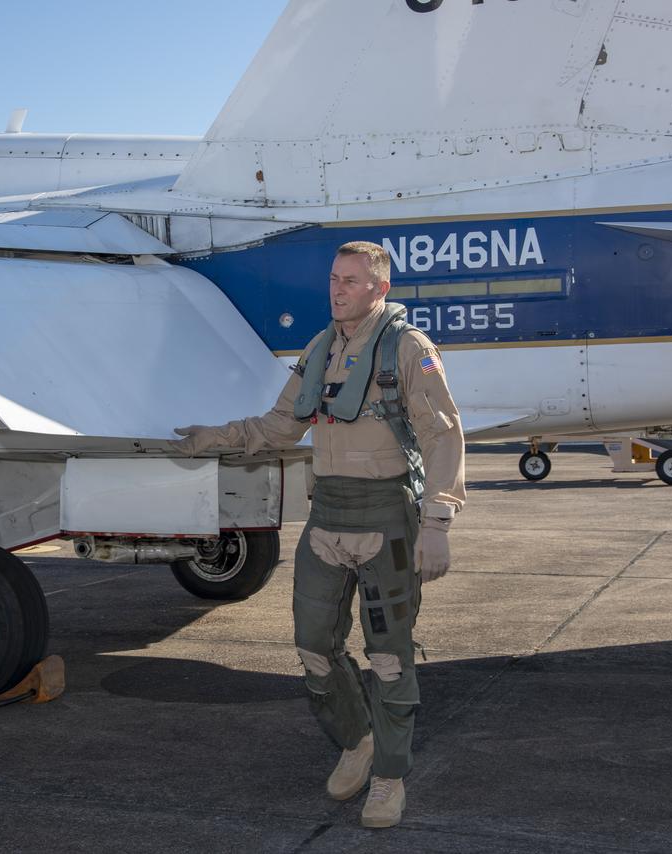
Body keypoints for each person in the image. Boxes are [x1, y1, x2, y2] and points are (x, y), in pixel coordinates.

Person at [171, 241, 466, 828]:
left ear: (379, 288)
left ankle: (388, 776)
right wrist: (212, 437)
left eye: (351, 281)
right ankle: (356, 741)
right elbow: (282, 424)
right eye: (334, 279)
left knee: (388, 658)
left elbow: (443, 436)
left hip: (386, 518)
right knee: (313, 648)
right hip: (327, 516)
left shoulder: (409, 349)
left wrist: (437, 523)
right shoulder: (320, 346)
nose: (337, 290)